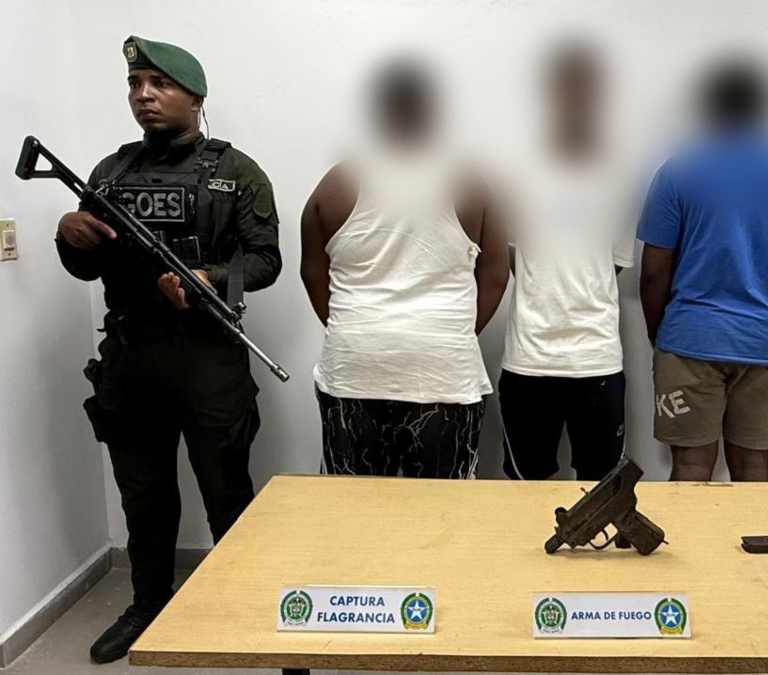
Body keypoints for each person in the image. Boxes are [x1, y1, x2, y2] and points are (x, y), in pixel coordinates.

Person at [55, 36, 281, 662]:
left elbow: (265, 260)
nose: (144, 96)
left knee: (226, 490)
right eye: (135, 85)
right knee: (143, 494)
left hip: (207, 356)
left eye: (160, 84)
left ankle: (238, 605)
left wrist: (211, 278)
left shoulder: (237, 172)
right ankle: (148, 604)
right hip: (132, 355)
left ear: (196, 97)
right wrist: (70, 234)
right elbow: (87, 264)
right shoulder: (110, 172)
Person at [300, 61, 508, 479]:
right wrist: (450, 332)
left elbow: (312, 273)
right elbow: (496, 276)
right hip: (442, 370)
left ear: (378, 110)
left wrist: (359, 328)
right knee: (440, 511)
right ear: (433, 110)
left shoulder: (337, 183)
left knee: (351, 506)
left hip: (355, 365)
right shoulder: (470, 183)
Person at [638, 59, 768, 482]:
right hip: (766, 338)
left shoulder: (678, 171)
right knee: (753, 469)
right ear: (766, 106)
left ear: (709, 106)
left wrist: (661, 333)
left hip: (690, 337)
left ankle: (689, 535)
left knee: (690, 467)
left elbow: (655, 269)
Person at [499, 44, 634, 481]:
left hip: (596, 357)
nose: (575, 97)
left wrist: (576, 286)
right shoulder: (518, 169)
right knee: (524, 491)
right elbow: (513, 255)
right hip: (529, 358)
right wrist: (548, 285)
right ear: (549, 93)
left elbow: (613, 263)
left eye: (584, 88)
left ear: (599, 95)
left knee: (601, 493)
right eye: (566, 87)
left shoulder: (619, 175)